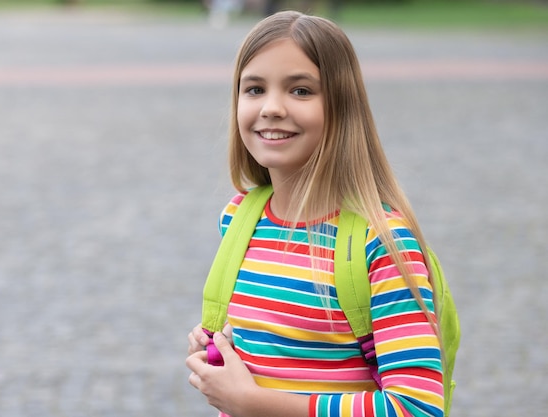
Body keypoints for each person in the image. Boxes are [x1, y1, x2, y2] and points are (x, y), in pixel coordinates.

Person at [186, 10, 444, 417]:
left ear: (343, 107)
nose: (271, 107)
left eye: (301, 91)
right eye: (254, 89)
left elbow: (416, 407)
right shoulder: (238, 218)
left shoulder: (380, 244)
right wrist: (218, 353)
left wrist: (254, 403)